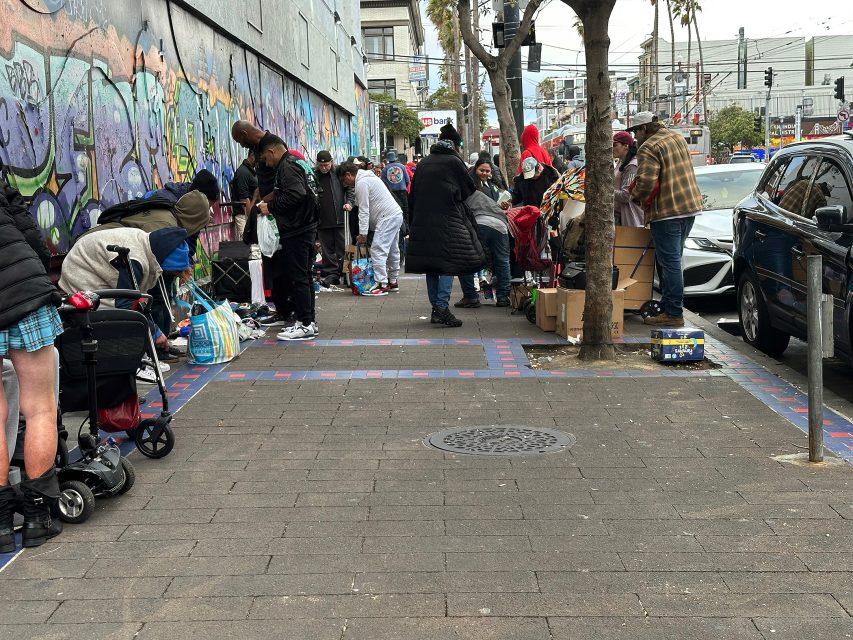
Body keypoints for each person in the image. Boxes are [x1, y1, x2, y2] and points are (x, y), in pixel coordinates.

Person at [0, 175, 63, 551]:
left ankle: (2, 524)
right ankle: (38, 518)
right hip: (24, 287)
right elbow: (28, 230)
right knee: (39, 407)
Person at [89, 190, 210, 343]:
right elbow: (127, 301)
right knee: (151, 299)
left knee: (151, 298)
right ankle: (155, 345)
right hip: (106, 253)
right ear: (195, 218)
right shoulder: (163, 225)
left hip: (115, 252)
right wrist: (155, 333)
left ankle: (158, 342)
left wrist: (182, 267)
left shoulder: (171, 219)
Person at [59, 226, 192, 362]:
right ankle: (132, 362)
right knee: (114, 314)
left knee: (129, 309)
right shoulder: (136, 261)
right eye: (172, 272)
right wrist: (154, 331)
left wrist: (153, 330)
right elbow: (126, 305)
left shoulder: (150, 246)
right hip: (81, 269)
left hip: (93, 262)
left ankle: (137, 356)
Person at [407, 121, 485, 327]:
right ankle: (442, 307)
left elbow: (412, 195)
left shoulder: (423, 163)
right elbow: (469, 189)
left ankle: (436, 308)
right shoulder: (454, 162)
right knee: (449, 264)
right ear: (455, 145)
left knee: (431, 266)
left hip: (423, 221)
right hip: (448, 220)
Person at [629, 111, 703, 327]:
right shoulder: (676, 136)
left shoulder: (649, 147)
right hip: (689, 207)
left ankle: (673, 312)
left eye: (636, 132)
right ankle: (671, 306)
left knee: (669, 263)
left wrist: (634, 197)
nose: (635, 137)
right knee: (674, 261)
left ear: (644, 129)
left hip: (667, 210)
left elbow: (646, 182)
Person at [256, 138, 320, 340]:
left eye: (265, 157)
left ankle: (305, 324)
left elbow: (296, 194)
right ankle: (307, 321)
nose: (266, 162)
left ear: (271, 151)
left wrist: (271, 207)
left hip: (298, 229)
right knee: (305, 276)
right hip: (308, 226)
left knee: (299, 277)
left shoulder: (287, 166)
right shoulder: (298, 162)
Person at [231, 120, 288, 326]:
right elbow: (261, 183)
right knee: (270, 263)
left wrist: (266, 202)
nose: (241, 145)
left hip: (274, 212)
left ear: (245, 133)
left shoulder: (273, 144)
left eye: (240, 140)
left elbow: (282, 184)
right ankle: (281, 309)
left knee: (279, 262)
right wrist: (256, 202)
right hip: (264, 209)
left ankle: (288, 310)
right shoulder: (257, 147)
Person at [338, 161, 404, 296]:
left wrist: (363, 233)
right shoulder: (369, 178)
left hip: (386, 217)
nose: (344, 183)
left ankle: (381, 283)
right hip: (395, 214)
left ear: (349, 174)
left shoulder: (362, 183)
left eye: (344, 179)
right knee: (392, 250)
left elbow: (364, 210)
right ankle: (393, 281)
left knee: (377, 250)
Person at [458, 190, 512, 308]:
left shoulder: (462, 195)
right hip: (501, 224)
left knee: (466, 259)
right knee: (502, 260)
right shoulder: (483, 196)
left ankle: (470, 296)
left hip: (479, 221)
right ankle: (503, 297)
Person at [314, 150, 352, 286]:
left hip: (340, 218)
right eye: (321, 165)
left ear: (331, 162)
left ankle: (348, 273)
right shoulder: (314, 175)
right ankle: (332, 274)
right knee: (327, 250)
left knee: (345, 247)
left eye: (326, 165)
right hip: (322, 219)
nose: (324, 168)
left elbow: (350, 188)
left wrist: (349, 202)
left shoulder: (338, 173)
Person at [612, 131, 644, 227]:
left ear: (626, 146)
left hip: (628, 217)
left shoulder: (632, 166)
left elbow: (626, 195)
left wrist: (605, 191)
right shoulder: (621, 162)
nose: (612, 148)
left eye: (615, 145)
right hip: (618, 213)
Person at [144, 169, 220, 208]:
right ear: (199, 198)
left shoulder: (187, 201)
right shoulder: (170, 203)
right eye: (208, 205)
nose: (207, 210)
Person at [230, 152, 257, 241]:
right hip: (243, 215)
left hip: (249, 214)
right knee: (248, 243)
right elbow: (244, 199)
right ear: (252, 156)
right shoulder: (243, 172)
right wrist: (250, 218)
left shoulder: (250, 172)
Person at [381, 151, 410, 220]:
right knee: (405, 209)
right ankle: (406, 228)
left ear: (387, 159)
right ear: (395, 158)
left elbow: (383, 182)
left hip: (391, 193)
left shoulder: (385, 169)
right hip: (402, 191)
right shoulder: (402, 166)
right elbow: (407, 180)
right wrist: (403, 186)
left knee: (394, 211)